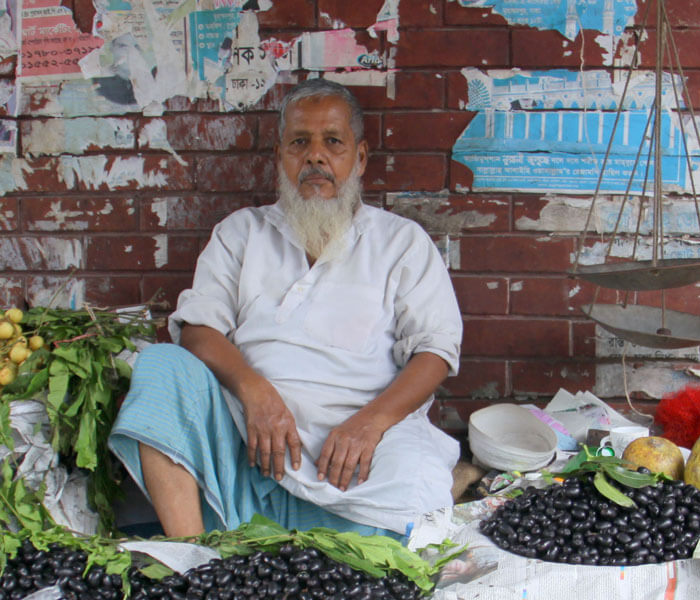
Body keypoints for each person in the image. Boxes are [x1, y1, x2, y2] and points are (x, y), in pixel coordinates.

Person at [108, 79, 463, 539]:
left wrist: (370, 424)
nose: (315, 156)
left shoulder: (400, 242)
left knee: (416, 493)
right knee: (161, 364)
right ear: (281, 158)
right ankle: (191, 555)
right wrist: (254, 391)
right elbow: (198, 330)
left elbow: (435, 353)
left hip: (359, 449)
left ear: (359, 158)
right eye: (300, 143)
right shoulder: (241, 233)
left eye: (332, 142)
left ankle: (283, 526)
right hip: (248, 438)